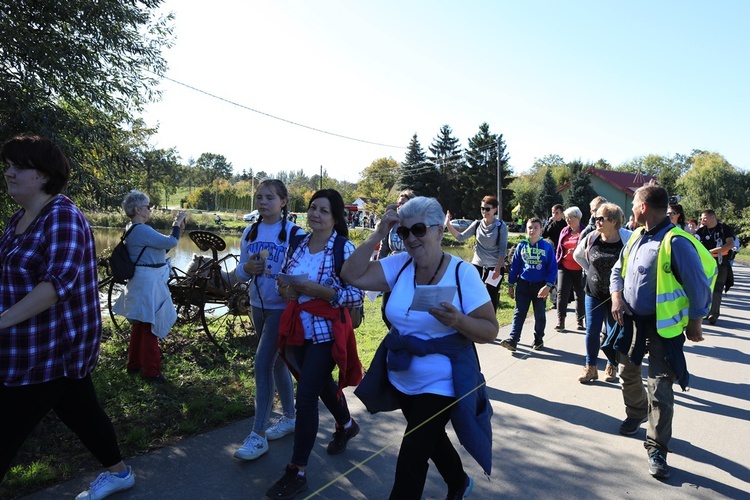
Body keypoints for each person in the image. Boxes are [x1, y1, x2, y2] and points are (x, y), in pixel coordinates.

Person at [0, 135, 136, 498]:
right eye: (7, 166)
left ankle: (119, 473)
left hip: (48, 349)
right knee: (80, 411)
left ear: (43, 175)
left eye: (18, 167)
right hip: (20, 345)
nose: (8, 173)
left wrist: (1, 320)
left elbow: (55, 285)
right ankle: (120, 473)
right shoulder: (18, 218)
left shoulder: (63, 216)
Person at [340, 196, 498, 499]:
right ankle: (458, 481)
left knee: (412, 455)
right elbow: (351, 275)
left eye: (419, 230)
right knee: (430, 437)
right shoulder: (400, 265)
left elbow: (490, 330)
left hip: (443, 381)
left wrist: (458, 320)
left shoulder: (462, 273)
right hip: (402, 376)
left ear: (439, 230)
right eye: (404, 232)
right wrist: (378, 233)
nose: (411, 238)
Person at [610, 181, 714, 480]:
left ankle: (657, 447)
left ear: (644, 207)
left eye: (634, 205)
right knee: (626, 372)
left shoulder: (676, 241)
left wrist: (695, 322)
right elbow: (619, 269)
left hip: (662, 329)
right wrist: (617, 296)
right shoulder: (637, 236)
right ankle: (636, 412)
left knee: (660, 388)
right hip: (630, 322)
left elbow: (698, 285)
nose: (631, 209)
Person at [265, 189, 364, 499]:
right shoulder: (298, 244)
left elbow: (357, 296)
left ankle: (298, 471)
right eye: (312, 208)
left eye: (323, 210)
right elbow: (282, 280)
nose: (315, 214)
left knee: (306, 395)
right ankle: (346, 425)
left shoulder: (344, 249)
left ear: (335, 217)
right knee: (320, 385)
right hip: (297, 329)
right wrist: (286, 290)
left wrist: (319, 291)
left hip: (327, 333)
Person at [233, 180, 301, 461]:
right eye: (259, 197)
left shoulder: (295, 234)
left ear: (283, 202)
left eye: (270, 197)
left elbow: (302, 273)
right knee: (276, 363)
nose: (263, 202)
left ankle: (257, 435)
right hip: (257, 306)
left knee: (261, 363)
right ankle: (290, 416)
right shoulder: (250, 232)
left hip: (282, 308)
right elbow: (239, 272)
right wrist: (247, 268)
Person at [112, 190, 184, 383]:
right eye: (147, 206)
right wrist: (176, 225)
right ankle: (151, 372)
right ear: (137, 209)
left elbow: (162, 247)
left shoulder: (132, 228)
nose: (150, 209)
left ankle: (134, 365)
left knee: (141, 323)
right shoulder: (142, 229)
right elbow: (171, 242)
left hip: (142, 280)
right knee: (150, 325)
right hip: (148, 282)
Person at [573, 203, 631, 383]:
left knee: (613, 331)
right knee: (592, 330)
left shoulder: (627, 239)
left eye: (601, 219)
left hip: (617, 296)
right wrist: (590, 270)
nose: (596, 222)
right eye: (596, 218)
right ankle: (590, 367)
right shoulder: (591, 238)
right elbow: (577, 255)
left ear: (613, 221)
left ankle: (611, 365)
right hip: (593, 292)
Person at [500, 217, 557, 351]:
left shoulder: (547, 247)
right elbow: (515, 267)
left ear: (541, 230)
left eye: (535, 228)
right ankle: (513, 340)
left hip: (540, 285)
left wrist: (548, 286)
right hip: (523, 284)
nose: (532, 230)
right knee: (519, 312)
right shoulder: (521, 246)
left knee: (539, 314)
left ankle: (538, 339)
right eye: (530, 228)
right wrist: (511, 285)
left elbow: (552, 268)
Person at [444, 195, 508, 311]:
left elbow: (502, 249)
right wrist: (448, 224)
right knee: (472, 295)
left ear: (495, 210)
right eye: (482, 208)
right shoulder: (477, 224)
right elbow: (460, 237)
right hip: (477, 265)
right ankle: (473, 322)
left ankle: (490, 325)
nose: (484, 211)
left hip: (494, 267)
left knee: (491, 297)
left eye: (487, 209)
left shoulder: (500, 227)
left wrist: (498, 268)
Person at [695, 209, 735, 325]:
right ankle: (703, 312)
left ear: (713, 217)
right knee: (705, 289)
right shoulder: (701, 231)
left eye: (705, 218)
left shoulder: (724, 228)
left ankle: (714, 314)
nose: (702, 220)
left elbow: (730, 244)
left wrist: (713, 251)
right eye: (702, 218)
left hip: (721, 263)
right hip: (705, 265)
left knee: (717, 289)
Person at [555, 207, 586, 331]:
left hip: (580, 268)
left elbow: (589, 248)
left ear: (577, 217)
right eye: (566, 217)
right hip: (565, 267)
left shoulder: (585, 231)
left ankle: (580, 321)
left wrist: (578, 251)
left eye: (570, 218)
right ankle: (560, 320)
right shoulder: (564, 230)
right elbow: (559, 248)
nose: (567, 220)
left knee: (580, 294)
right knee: (561, 293)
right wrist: (557, 261)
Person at [378, 189, 416, 259]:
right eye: (399, 204)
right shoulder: (392, 224)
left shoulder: (417, 225)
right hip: (394, 266)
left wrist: (403, 255)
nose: (399, 207)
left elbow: (423, 252)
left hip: (411, 266)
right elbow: (383, 249)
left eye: (403, 204)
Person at [542, 204, 566, 309]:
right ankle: (553, 300)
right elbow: (544, 234)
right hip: (551, 251)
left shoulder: (564, 225)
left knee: (558, 277)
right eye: (553, 213)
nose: (554, 215)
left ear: (561, 213)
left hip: (561, 252)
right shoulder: (551, 224)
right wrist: (549, 222)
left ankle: (559, 300)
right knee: (551, 275)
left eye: (557, 213)